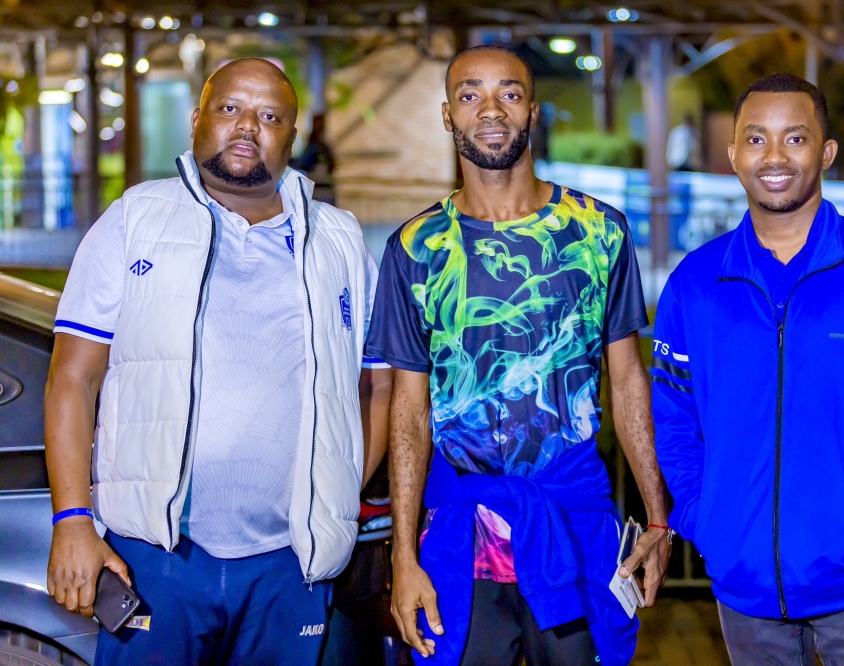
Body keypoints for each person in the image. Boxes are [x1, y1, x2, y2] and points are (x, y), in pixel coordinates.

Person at [44, 58, 392, 665]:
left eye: (270, 116)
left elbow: (378, 388)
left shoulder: (339, 241)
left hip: (291, 566)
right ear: (197, 119)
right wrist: (72, 519)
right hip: (156, 556)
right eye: (230, 108)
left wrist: (334, 493)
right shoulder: (133, 221)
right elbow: (73, 380)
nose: (247, 126)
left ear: (292, 136)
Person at [365, 45, 672, 666]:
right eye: (470, 94)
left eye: (509, 93)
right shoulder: (414, 247)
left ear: (532, 110)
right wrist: (402, 556)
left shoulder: (599, 233)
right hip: (461, 534)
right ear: (447, 114)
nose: (491, 109)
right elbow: (408, 410)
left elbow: (627, 379)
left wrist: (657, 518)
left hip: (574, 523)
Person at [652, 73, 844, 665]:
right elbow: (673, 419)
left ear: (826, 151)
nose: (774, 157)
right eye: (756, 139)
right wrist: (701, 516)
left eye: (795, 138)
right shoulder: (695, 283)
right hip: (743, 589)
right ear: (735, 153)